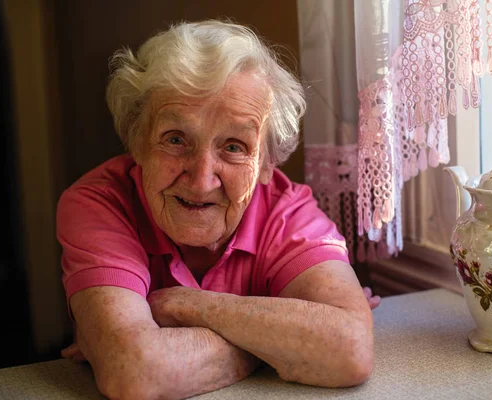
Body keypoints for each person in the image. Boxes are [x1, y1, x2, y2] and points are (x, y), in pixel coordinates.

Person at [56, 19, 381, 400]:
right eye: (176, 140)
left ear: (266, 165)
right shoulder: (99, 204)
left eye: (233, 147)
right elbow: (134, 371)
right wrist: (279, 342)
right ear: (138, 143)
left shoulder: (288, 212)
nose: (201, 180)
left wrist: (184, 306)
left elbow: (349, 348)